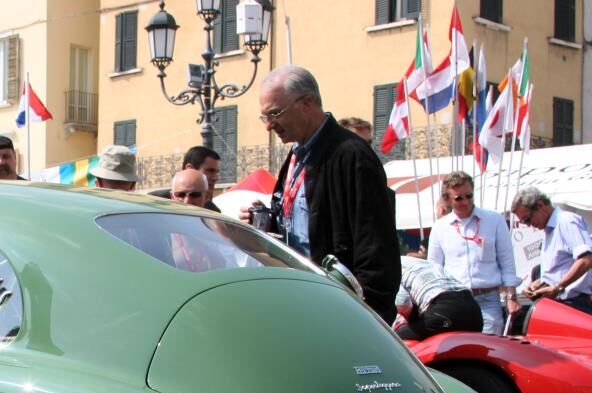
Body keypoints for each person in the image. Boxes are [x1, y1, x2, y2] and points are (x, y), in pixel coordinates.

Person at [245, 65, 401, 324]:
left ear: (306, 103)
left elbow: (374, 242)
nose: (269, 126)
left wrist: (365, 312)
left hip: (339, 310)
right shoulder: (298, 154)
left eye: (275, 114)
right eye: (265, 117)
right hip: (304, 300)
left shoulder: (351, 155)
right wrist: (267, 221)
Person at [427, 171, 518, 334]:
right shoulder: (440, 227)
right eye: (459, 198)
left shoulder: (494, 220)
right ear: (447, 199)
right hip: (455, 300)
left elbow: (507, 260)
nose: (466, 202)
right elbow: (434, 268)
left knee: (489, 349)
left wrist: (512, 297)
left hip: (488, 298)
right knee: (460, 349)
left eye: (469, 196)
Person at [512, 186, 592, 315]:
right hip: (559, 303)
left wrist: (558, 287)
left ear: (540, 205)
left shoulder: (566, 221)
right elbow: (560, 269)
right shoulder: (549, 231)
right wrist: (539, 284)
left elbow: (587, 259)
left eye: (527, 219)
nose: (528, 225)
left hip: (575, 303)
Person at [394, 257, 484, 341]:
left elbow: (403, 304)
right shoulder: (418, 262)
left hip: (445, 313)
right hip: (474, 312)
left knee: (394, 339)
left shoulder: (392, 266)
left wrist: (409, 321)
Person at [181, 146, 222, 211]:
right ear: (190, 169)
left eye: (216, 172)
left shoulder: (213, 211)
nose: (215, 178)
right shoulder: (161, 202)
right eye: (210, 170)